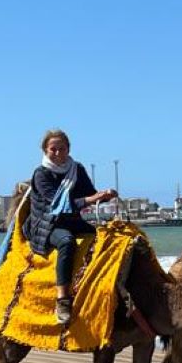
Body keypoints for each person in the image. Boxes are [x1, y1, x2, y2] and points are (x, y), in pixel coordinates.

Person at [27, 130, 118, 324]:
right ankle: (63, 299)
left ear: (68, 149)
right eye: (53, 149)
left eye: (62, 149)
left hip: (72, 221)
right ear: (45, 150)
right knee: (67, 242)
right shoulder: (41, 174)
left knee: (107, 237)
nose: (58, 153)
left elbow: (90, 194)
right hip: (47, 224)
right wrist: (91, 199)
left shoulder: (76, 169)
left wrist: (104, 195)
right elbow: (58, 204)